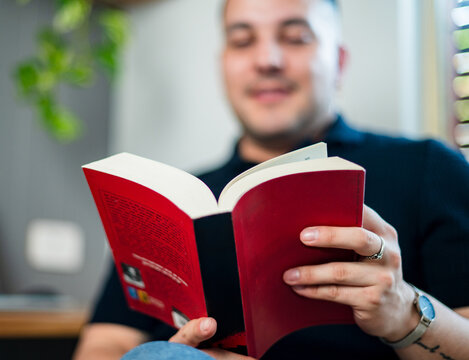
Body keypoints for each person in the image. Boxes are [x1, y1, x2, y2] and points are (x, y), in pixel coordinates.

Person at [73, 0, 469, 359]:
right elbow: (104, 342)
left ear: (340, 62)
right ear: (223, 64)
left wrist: (404, 312)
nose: (267, 60)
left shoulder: (428, 169)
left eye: (295, 37)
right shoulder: (175, 199)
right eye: (243, 41)